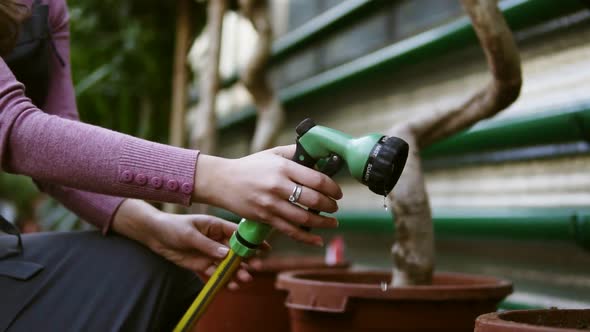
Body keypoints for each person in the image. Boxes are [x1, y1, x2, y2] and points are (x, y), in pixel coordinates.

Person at [0, 0, 342, 331]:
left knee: (153, 276)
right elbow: (15, 131)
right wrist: (218, 177)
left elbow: (57, 160)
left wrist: (153, 227)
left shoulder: (50, 7)